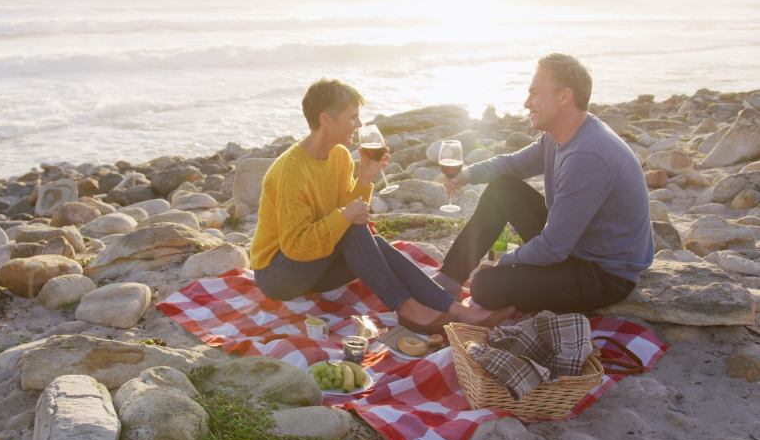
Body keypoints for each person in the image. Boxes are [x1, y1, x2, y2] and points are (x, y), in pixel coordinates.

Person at [250, 78, 514, 333]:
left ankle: (450, 307)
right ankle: (410, 308)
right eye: (352, 116)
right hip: (278, 275)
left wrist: (365, 175)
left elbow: (349, 215)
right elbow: (297, 246)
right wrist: (344, 216)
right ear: (326, 119)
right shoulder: (290, 171)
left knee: (361, 233)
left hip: (317, 269)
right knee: (351, 224)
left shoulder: (340, 156)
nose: (359, 123)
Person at [433, 53, 653, 313]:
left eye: (535, 94)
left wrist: (504, 261)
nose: (527, 103)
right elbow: (514, 165)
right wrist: (468, 174)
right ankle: (449, 279)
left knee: (486, 285)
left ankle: (480, 282)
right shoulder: (560, 135)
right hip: (574, 245)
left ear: (564, 97)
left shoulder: (587, 155)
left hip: (603, 273)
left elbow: (552, 248)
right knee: (503, 188)